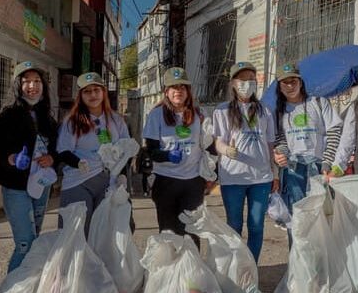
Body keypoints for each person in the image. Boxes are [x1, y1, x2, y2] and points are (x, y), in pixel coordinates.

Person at [0, 61, 60, 273]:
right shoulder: (7, 115)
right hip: (16, 186)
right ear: (18, 85)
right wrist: (13, 159)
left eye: (37, 81)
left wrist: (52, 158)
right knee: (25, 243)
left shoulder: (47, 117)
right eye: (27, 82)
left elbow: (56, 148)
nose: (33, 86)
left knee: (35, 240)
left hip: (40, 185)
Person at [212, 61, 276, 262]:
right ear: (233, 83)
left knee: (256, 225)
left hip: (261, 178)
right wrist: (226, 150)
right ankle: (236, 269)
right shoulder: (222, 111)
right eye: (242, 79)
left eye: (251, 79)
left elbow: (270, 143)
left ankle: (251, 269)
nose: (247, 83)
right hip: (233, 178)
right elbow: (218, 142)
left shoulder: (264, 110)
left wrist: (275, 174)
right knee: (234, 225)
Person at [142, 67, 211, 247]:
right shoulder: (156, 115)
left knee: (191, 230)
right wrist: (166, 155)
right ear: (167, 91)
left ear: (188, 91)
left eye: (182, 87)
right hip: (165, 181)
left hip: (192, 182)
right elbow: (151, 151)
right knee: (168, 231)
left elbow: (208, 148)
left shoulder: (199, 115)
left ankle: (190, 272)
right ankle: (169, 273)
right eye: (174, 87)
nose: (178, 91)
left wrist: (210, 175)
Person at [272, 63, 343, 235]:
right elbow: (280, 140)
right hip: (292, 171)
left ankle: (320, 261)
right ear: (279, 87)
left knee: (322, 220)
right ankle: (297, 261)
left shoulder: (318, 103)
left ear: (301, 82)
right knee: (296, 221)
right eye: (285, 82)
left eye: (293, 81)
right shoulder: (278, 112)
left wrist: (327, 162)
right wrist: (281, 154)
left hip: (319, 169)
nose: (290, 86)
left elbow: (335, 131)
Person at [57, 72, 129, 235]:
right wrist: (77, 163)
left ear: (104, 92)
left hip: (109, 182)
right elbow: (63, 151)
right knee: (77, 234)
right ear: (80, 96)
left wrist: (123, 174)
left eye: (96, 90)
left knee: (104, 235)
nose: (93, 95)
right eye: (87, 91)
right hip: (80, 180)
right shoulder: (73, 120)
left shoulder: (116, 120)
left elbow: (126, 149)